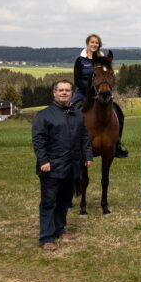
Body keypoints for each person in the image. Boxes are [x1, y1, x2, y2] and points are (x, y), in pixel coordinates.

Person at [32, 80, 93, 251]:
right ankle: (46, 237)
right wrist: (43, 161)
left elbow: (84, 137)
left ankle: (60, 229)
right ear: (54, 93)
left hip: (71, 166)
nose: (64, 93)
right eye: (60, 90)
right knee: (49, 202)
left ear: (71, 93)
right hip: (51, 166)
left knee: (65, 200)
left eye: (67, 90)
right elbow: (38, 140)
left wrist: (87, 156)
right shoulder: (44, 115)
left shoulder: (78, 115)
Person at [73, 34, 128, 158]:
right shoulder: (80, 60)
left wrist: (106, 88)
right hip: (83, 93)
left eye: (96, 43)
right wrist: (89, 90)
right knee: (71, 111)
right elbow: (77, 80)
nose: (94, 44)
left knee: (118, 112)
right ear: (87, 43)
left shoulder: (104, 60)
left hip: (102, 92)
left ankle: (117, 144)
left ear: (99, 45)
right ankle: (70, 144)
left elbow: (109, 76)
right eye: (92, 42)